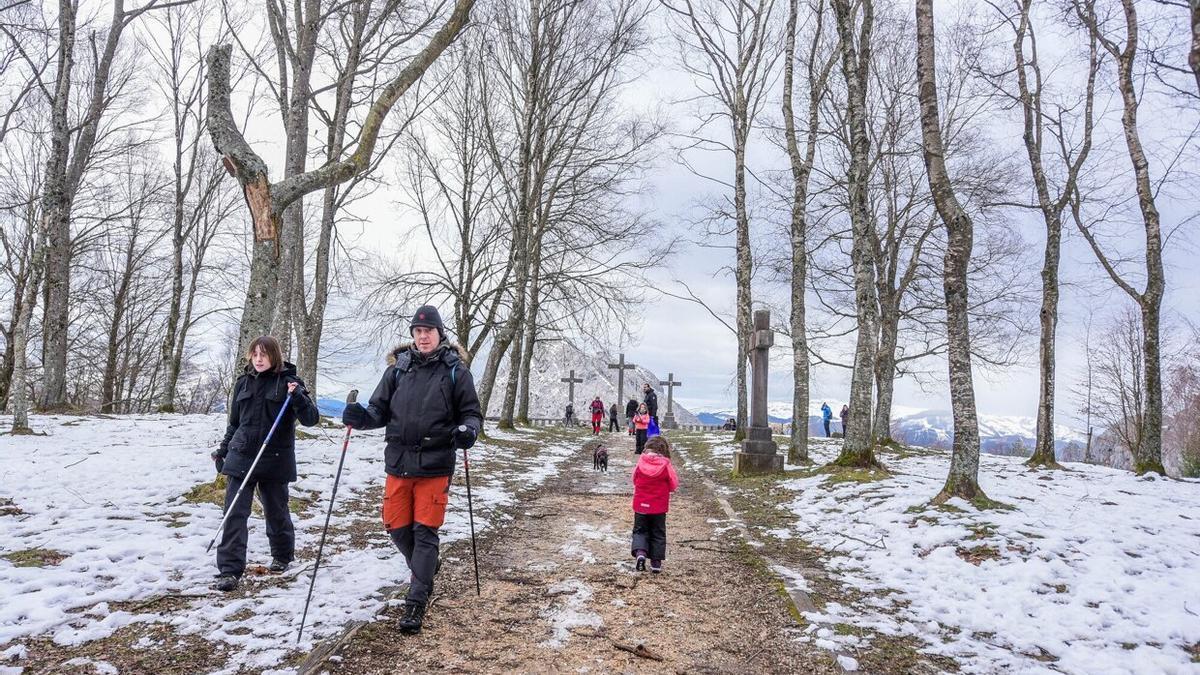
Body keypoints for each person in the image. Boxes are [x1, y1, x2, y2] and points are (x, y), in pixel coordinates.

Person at [341, 305, 483, 635]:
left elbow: (471, 413)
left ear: (439, 333)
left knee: (425, 531)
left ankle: (416, 600)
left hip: (435, 465)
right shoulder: (397, 370)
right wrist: (360, 418)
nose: (422, 336)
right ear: (413, 336)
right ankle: (427, 566)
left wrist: (468, 431)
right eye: (417, 332)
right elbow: (378, 410)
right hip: (399, 463)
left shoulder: (455, 371)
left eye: (428, 331)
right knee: (395, 526)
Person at [211, 335, 320, 592]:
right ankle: (229, 570)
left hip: (274, 457)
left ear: (274, 356)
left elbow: (311, 419)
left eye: (264, 355)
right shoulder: (242, 384)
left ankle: (282, 555)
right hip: (242, 454)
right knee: (234, 512)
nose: (259, 359)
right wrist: (223, 451)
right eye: (255, 354)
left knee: (276, 510)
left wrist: (298, 397)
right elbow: (235, 424)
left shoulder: (289, 382)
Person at [631, 435, 679, 574]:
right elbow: (673, 484)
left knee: (640, 530)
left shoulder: (641, 462)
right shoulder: (666, 465)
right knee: (658, 532)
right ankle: (656, 563)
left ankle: (641, 553)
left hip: (641, 505)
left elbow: (634, 479)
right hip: (659, 506)